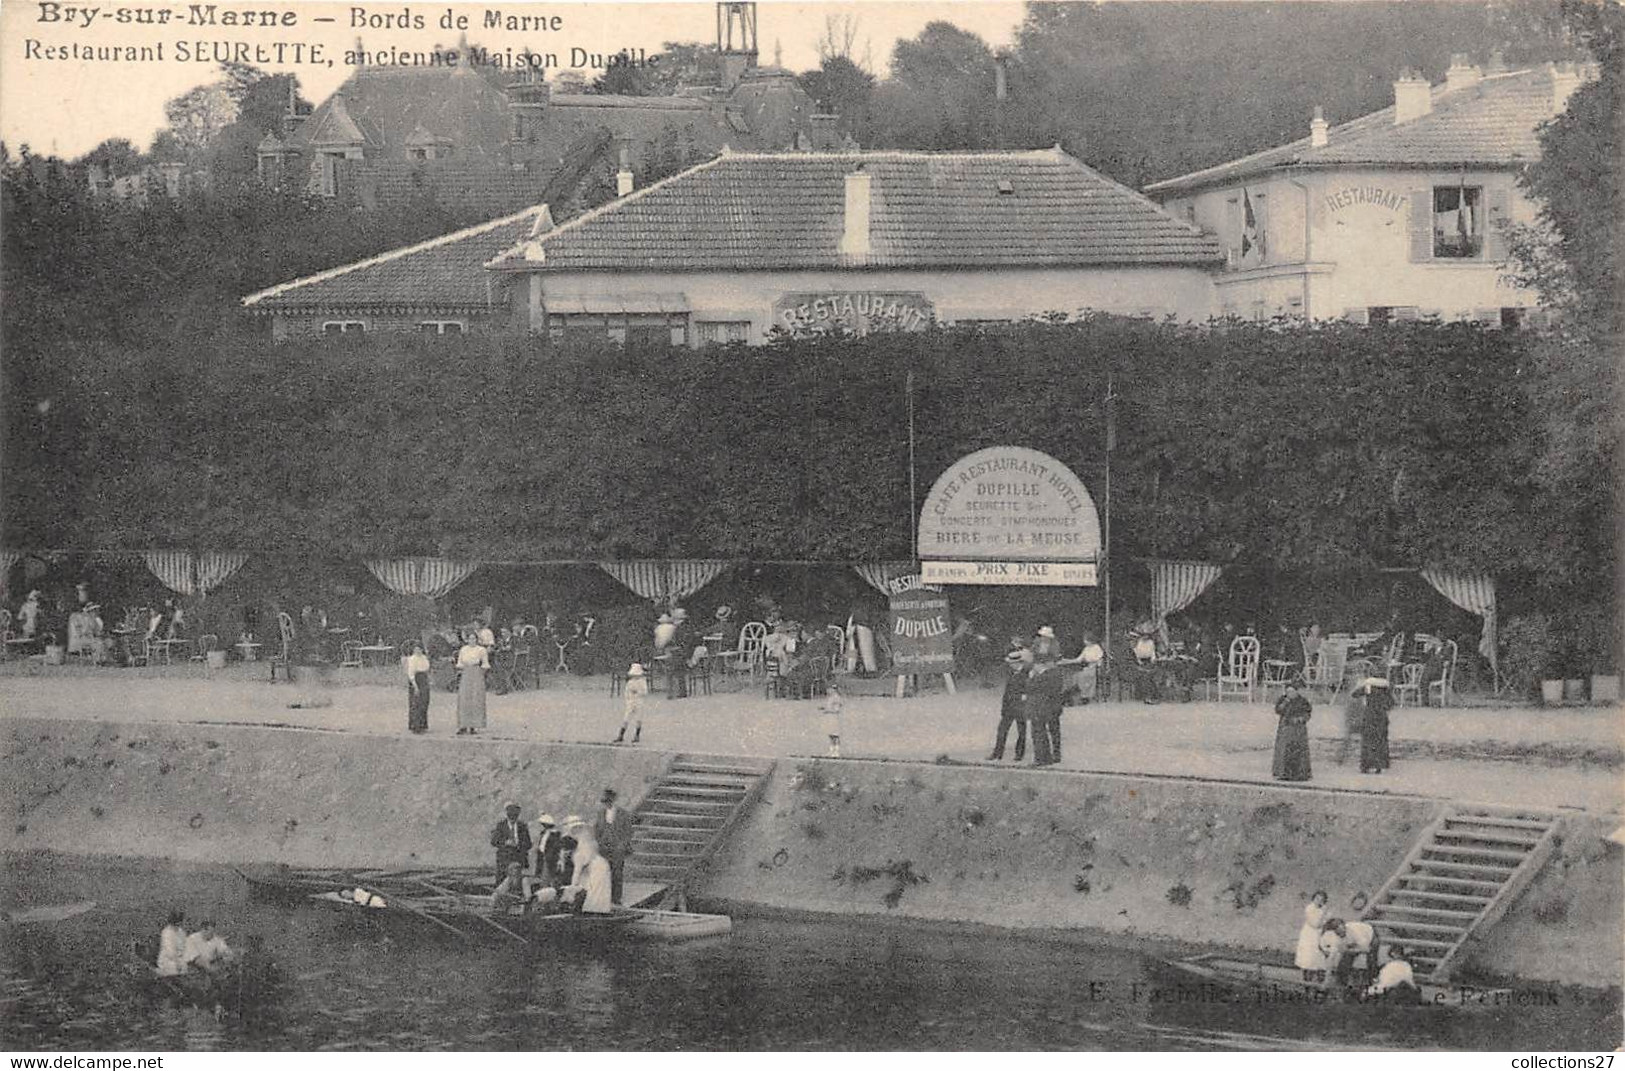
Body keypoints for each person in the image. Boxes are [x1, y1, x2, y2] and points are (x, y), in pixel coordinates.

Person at [988, 639, 1032, 761]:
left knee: (1021, 732)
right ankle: (998, 753)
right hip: (1009, 707)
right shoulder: (1013, 674)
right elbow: (1007, 693)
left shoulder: (1025, 675)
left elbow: (1027, 692)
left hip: (1020, 708)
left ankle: (1018, 754)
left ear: (1018, 663)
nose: (1010, 666)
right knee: (1002, 730)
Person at [594, 789, 635, 906]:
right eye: (605, 801)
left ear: (614, 801)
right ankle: (605, 896)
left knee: (617, 873)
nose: (607, 803)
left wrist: (622, 844)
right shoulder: (601, 813)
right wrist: (599, 842)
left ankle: (616, 898)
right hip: (604, 848)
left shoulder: (624, 814)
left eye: (609, 801)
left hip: (618, 848)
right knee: (604, 872)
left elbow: (628, 832)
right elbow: (597, 830)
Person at [1025, 655, 1065, 766]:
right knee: (1051, 732)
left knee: (1038, 733)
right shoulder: (1055, 674)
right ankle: (1051, 756)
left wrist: (1030, 678)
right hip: (1051, 708)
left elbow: (1030, 688)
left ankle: (1041, 758)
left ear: (1038, 665)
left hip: (1040, 709)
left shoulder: (1041, 677)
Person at [560, 831, 613, 914]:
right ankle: (593, 909)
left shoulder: (578, 855)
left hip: (598, 867)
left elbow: (577, 872)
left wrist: (572, 887)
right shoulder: (578, 850)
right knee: (588, 887)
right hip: (594, 866)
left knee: (596, 889)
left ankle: (597, 910)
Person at [1272, 678, 1313, 782]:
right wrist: (1285, 703)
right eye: (1288, 691)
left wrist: (1300, 719)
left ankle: (1301, 773)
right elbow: (1278, 710)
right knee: (1284, 750)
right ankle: (1282, 772)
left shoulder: (1302, 701)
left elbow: (1307, 713)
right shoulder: (1283, 700)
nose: (1290, 693)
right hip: (1285, 729)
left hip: (1298, 730)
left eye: (1292, 691)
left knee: (1299, 750)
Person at [455, 632, 490, 736]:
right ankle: (463, 725)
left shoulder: (481, 650)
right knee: (464, 698)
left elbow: (485, 664)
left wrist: (480, 674)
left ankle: (473, 726)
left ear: (477, 640)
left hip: (477, 673)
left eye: (474, 639)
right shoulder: (463, 649)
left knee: (476, 698)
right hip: (466, 673)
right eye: (470, 639)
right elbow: (460, 663)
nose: (472, 641)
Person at [489, 802, 532, 884]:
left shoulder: (522, 826)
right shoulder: (501, 825)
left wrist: (519, 845)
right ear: (507, 815)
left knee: (517, 882)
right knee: (502, 881)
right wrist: (505, 842)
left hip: (518, 858)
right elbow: (493, 841)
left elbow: (528, 843)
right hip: (504, 859)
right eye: (510, 817)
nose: (512, 820)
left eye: (515, 817)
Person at [1356, 677, 1393, 774]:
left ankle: (1366, 765)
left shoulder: (1368, 687)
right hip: (1381, 717)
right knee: (1380, 741)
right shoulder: (1385, 688)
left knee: (1367, 741)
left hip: (1369, 716)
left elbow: (1355, 694)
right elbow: (1391, 703)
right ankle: (1379, 765)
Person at [1295, 891, 1329, 981]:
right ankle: (1307, 983)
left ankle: (1318, 985)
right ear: (1313, 899)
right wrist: (1323, 913)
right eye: (1317, 899)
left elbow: (1325, 923)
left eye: (1322, 900)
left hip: (1318, 936)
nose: (1319, 901)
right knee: (1308, 960)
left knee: (1320, 961)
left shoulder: (1322, 910)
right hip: (1309, 936)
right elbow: (1315, 924)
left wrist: (1324, 916)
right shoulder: (1310, 908)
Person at [614, 663, 649, 744]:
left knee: (639, 718)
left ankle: (637, 735)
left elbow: (644, 692)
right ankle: (621, 734)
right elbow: (626, 692)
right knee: (626, 717)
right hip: (631, 701)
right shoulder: (630, 683)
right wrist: (629, 699)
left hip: (639, 701)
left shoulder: (642, 682)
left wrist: (637, 693)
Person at [403, 640, 431, 734]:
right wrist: (415, 685)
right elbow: (411, 673)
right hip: (416, 679)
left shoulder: (424, 658)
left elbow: (427, 669)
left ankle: (423, 724)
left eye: (419, 649)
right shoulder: (412, 659)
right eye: (416, 649)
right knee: (416, 703)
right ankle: (415, 726)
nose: (418, 651)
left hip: (424, 679)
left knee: (424, 702)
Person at [533, 813, 563, 887]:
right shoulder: (543, 833)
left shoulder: (555, 834)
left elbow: (556, 848)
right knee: (542, 878)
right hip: (542, 858)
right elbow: (541, 847)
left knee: (549, 878)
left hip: (550, 859)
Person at [157, 909, 189, 977]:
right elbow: (170, 952)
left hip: (180, 958)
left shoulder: (181, 932)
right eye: (175, 923)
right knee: (174, 970)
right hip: (168, 960)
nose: (177, 926)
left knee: (185, 969)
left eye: (179, 923)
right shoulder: (167, 933)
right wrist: (177, 963)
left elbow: (185, 946)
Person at [821, 682, 844, 758]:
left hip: (834, 718)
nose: (828, 691)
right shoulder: (830, 698)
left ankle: (836, 751)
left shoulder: (836, 698)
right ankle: (831, 751)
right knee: (830, 735)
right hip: (829, 717)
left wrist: (827, 710)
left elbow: (836, 710)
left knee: (835, 735)